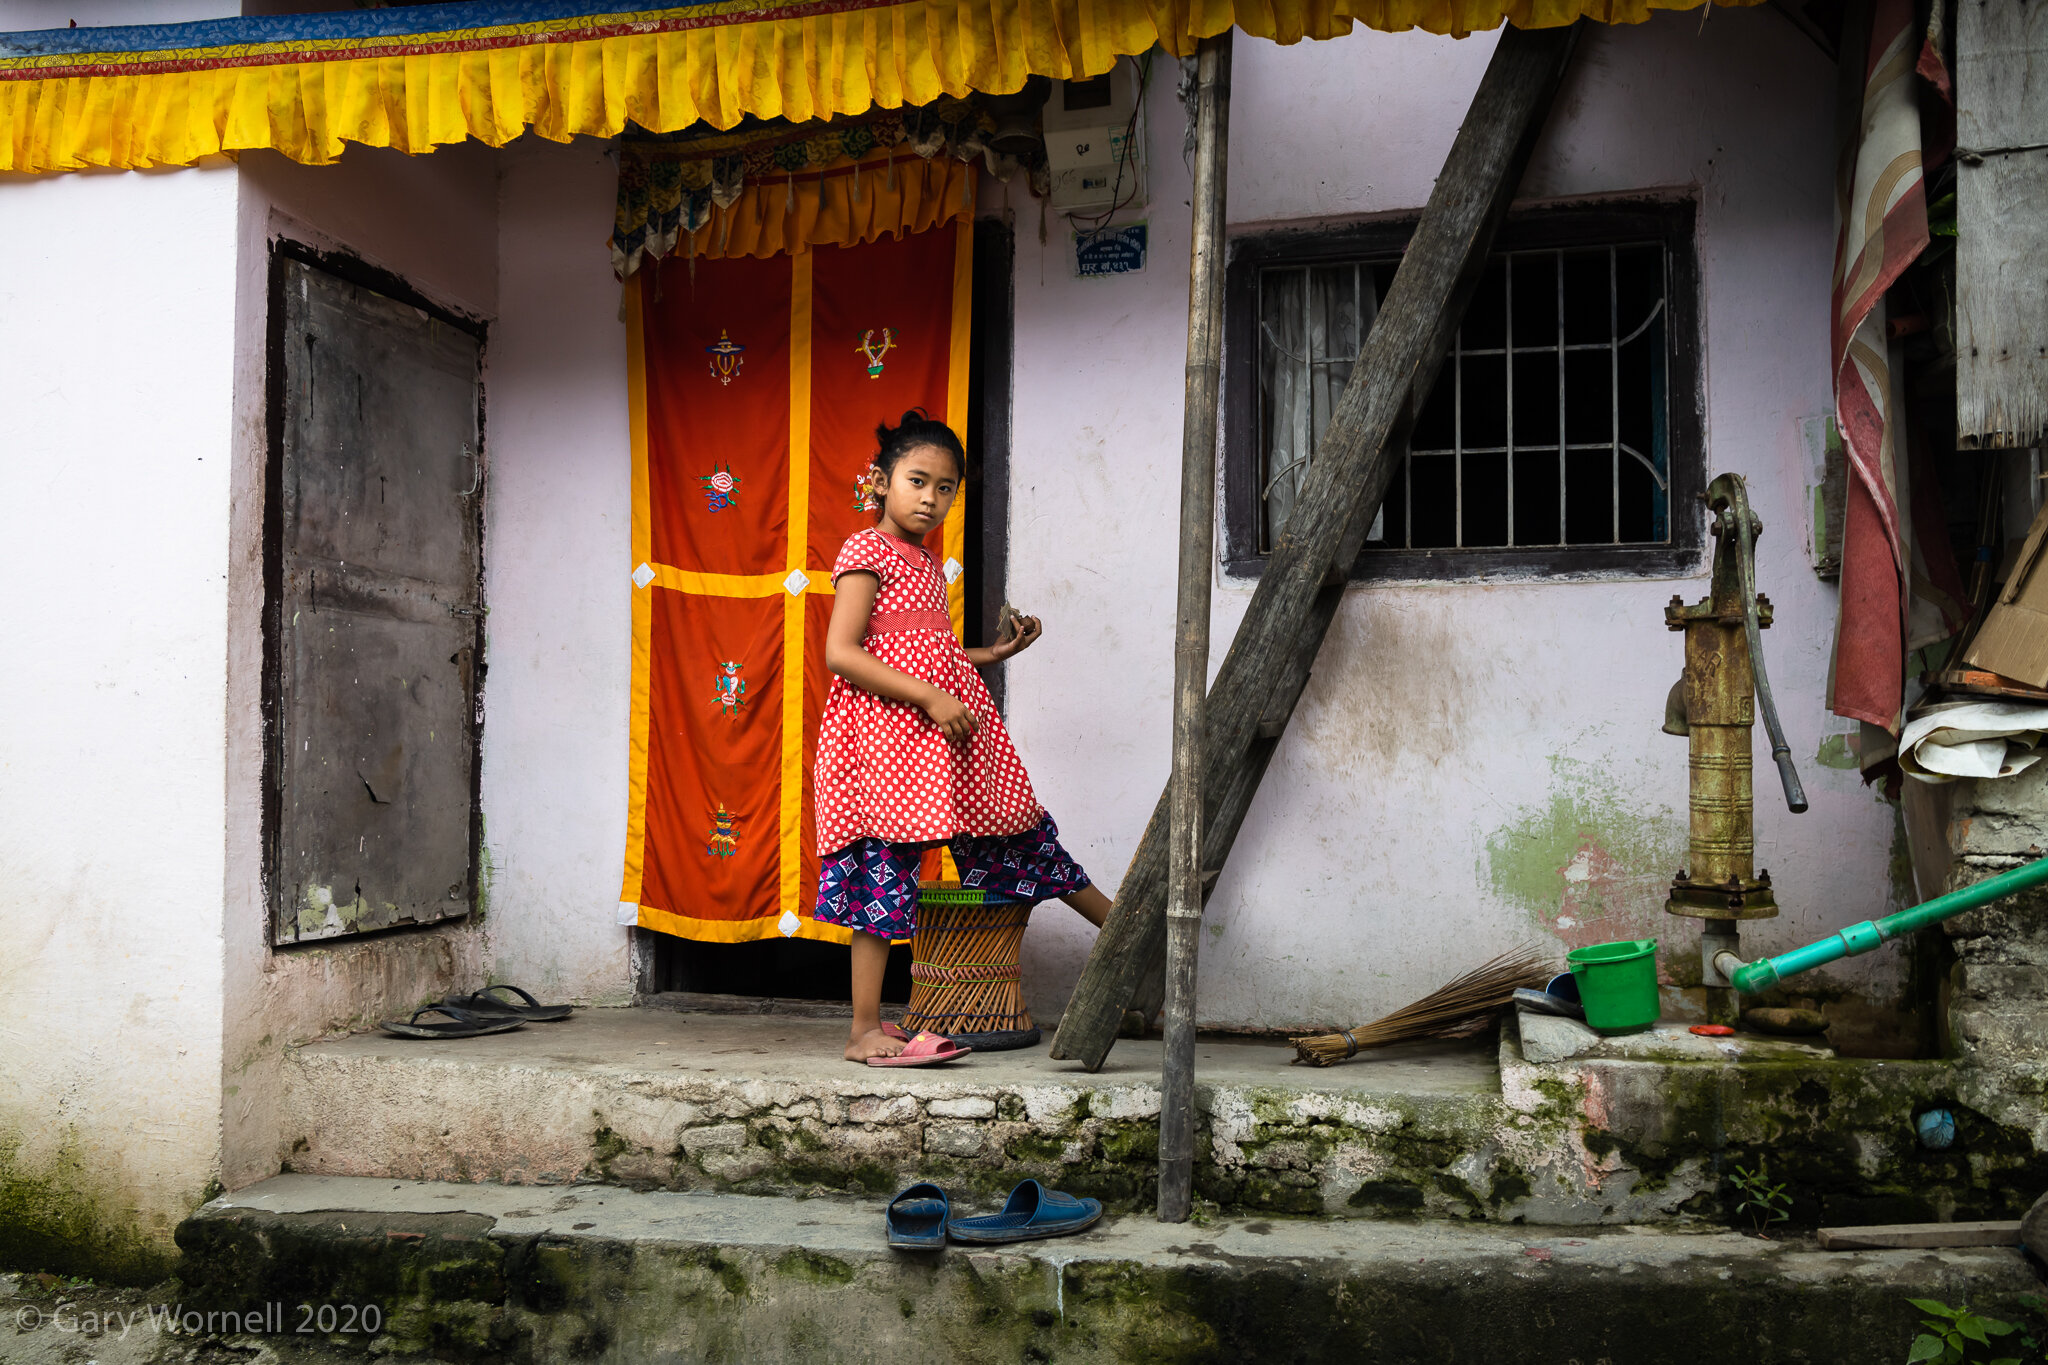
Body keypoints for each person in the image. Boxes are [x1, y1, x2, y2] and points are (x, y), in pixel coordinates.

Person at [813, 408, 1113, 1063]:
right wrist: (928, 694)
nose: (931, 498)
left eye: (945, 488)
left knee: (1021, 830)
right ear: (881, 481)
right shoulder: (865, 551)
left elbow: (924, 649)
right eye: (917, 481)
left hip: (947, 735)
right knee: (883, 870)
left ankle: (1129, 941)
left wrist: (992, 654)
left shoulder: (924, 561)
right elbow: (843, 651)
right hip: (887, 745)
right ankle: (865, 1028)